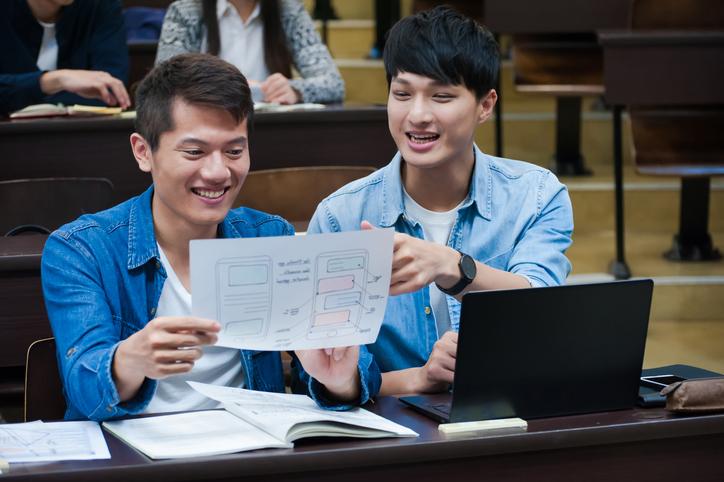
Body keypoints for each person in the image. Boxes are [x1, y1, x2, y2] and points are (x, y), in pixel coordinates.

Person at [41, 53, 378, 421]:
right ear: (143, 152)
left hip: (250, 454)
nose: (218, 172)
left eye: (235, 151)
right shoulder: (81, 249)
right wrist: (130, 361)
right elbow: (83, 387)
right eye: (194, 152)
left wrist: (338, 379)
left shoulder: (269, 237)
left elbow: (349, 378)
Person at [307, 7, 574, 396]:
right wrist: (420, 378)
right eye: (402, 94)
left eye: (442, 96)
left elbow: (543, 307)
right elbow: (324, 378)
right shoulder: (339, 216)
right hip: (393, 439)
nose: (417, 115)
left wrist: (451, 266)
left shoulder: (535, 196)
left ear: (486, 105)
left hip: (510, 421)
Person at [155, 0, 344, 105]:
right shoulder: (185, 10)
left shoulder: (289, 10)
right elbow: (163, 84)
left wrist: (295, 90)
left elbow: (333, 83)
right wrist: (227, 85)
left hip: (271, 129)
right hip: (205, 125)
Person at [0, 0, 130, 115]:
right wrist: (53, 81)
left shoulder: (101, 5)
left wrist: (18, 92)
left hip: (77, 134)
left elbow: (110, 89)